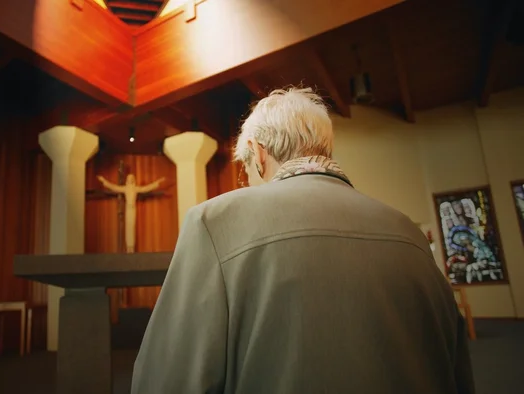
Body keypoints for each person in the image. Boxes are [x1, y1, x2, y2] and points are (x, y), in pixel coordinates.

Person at [131, 87, 475, 394]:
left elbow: (167, 380)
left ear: (258, 152)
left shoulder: (213, 222)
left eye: (245, 168)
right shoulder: (408, 232)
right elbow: (454, 368)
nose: (248, 179)